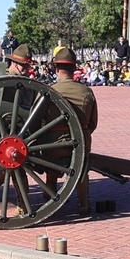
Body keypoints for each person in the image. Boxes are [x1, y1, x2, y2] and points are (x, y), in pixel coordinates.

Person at [45, 47, 98, 215]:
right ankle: (83, 203)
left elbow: (38, 122)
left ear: (56, 68)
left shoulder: (49, 91)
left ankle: (50, 195)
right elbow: (93, 123)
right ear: (74, 68)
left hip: (52, 145)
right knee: (82, 168)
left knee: (50, 166)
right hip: (79, 144)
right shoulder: (87, 92)